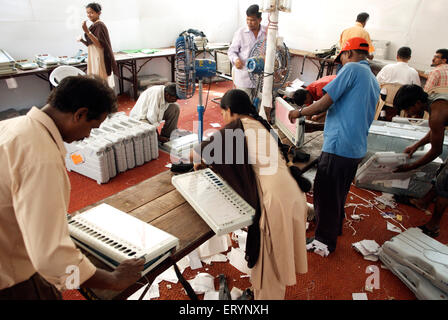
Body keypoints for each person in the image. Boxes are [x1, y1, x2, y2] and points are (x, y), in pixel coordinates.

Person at [0, 76, 144, 299]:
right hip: (9, 279)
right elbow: (50, 257)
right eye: (92, 126)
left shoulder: (12, 125)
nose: (88, 135)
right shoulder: (41, 157)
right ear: (79, 114)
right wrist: (113, 280)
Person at [193, 89, 308, 300]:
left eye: (222, 114)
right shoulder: (262, 125)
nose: (223, 119)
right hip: (293, 195)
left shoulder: (237, 128)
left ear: (229, 110)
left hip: (276, 204)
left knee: (269, 272)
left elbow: (199, 151)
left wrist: (197, 160)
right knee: (278, 262)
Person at [289, 37, 380, 256]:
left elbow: (326, 101)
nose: (340, 62)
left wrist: (299, 112)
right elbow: (342, 109)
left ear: (348, 54)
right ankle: (335, 226)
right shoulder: (372, 79)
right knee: (339, 191)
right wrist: (316, 120)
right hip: (355, 147)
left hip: (339, 146)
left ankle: (323, 242)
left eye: (341, 58)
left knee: (324, 192)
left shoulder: (352, 70)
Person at [393, 84, 448, 238]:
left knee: (445, 183)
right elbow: (436, 129)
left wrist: (411, 167)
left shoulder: (436, 114)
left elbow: (437, 150)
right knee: (442, 171)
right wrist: (416, 145)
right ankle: (423, 202)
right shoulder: (435, 101)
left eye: (408, 109)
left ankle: (433, 226)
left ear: (417, 103)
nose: (408, 113)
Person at [227, 4, 267, 101]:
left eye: (253, 20)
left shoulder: (267, 32)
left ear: (260, 19)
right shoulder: (240, 33)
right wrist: (236, 60)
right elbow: (231, 51)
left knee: (260, 105)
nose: (249, 23)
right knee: (243, 105)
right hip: (244, 77)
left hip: (261, 78)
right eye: (247, 20)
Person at [79, 3, 118, 88]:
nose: (89, 15)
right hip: (93, 56)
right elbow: (91, 44)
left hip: (99, 57)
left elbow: (100, 45)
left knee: (101, 81)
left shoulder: (99, 25)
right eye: (87, 13)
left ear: (99, 13)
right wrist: (82, 40)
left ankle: (104, 99)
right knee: (96, 81)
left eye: (91, 12)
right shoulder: (94, 25)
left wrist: (87, 32)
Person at [376, 47, 421, 120]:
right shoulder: (413, 72)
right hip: (402, 102)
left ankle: (381, 114)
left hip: (385, 99)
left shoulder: (387, 67)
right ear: (409, 58)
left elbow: (376, 82)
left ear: (397, 56)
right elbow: (417, 90)